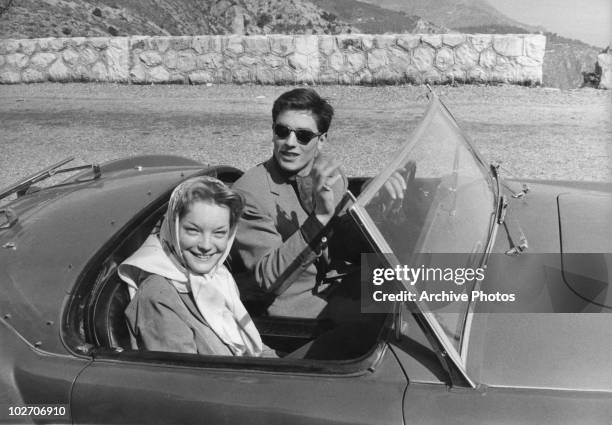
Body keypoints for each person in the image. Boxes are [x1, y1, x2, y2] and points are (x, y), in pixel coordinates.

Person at [232, 88, 407, 319]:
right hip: (292, 313)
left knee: (423, 288)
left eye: (303, 136)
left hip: (336, 287)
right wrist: (320, 219)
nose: (290, 143)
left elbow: (344, 241)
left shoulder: (327, 174)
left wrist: (373, 200)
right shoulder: (249, 193)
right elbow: (267, 277)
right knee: (390, 321)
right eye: (282, 131)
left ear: (321, 140)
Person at [118, 176, 273, 357]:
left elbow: (249, 348)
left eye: (219, 233)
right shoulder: (158, 296)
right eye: (193, 230)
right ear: (173, 228)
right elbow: (185, 378)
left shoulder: (217, 276)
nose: (206, 245)